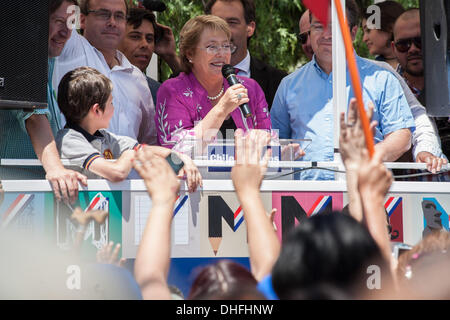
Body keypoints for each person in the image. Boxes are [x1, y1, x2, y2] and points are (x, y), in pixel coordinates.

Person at [270, 0, 416, 180]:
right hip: (305, 197)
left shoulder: (381, 79)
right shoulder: (289, 85)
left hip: (365, 191)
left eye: (334, 26)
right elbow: (275, 141)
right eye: (318, 27)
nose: (326, 34)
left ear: (353, 33)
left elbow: (402, 136)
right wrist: (281, 155)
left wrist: (370, 157)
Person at [55, 67, 201, 191]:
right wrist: (130, 155)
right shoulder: (69, 140)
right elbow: (116, 173)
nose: (114, 108)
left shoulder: (106, 138)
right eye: (111, 103)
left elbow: (151, 151)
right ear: (97, 110)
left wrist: (183, 161)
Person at [0, 0, 87, 204]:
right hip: (13, 190)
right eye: (58, 21)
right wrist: (56, 168)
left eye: (71, 24)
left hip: (35, 191)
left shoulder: (46, 61)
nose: (66, 32)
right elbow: (34, 116)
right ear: (35, 21)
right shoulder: (20, 54)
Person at [155, 15, 272, 150]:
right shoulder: (173, 91)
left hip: (246, 171)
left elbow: (267, 140)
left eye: (226, 46)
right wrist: (221, 109)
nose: (221, 53)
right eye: (212, 47)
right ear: (190, 54)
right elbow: (175, 154)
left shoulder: (250, 88)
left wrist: (280, 152)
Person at [53, 0, 157, 145]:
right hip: (77, 165)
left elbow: (149, 140)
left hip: (125, 167)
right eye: (103, 14)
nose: (112, 22)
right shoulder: (70, 47)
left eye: (119, 16)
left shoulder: (138, 78)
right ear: (82, 20)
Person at [205, 0, 287, 109]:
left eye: (232, 23)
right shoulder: (188, 80)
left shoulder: (278, 82)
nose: (223, 31)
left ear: (250, 28)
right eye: (216, 24)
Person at [392, 8, 450, 161]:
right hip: (411, 183)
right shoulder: (388, 89)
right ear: (393, 48)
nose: (412, 49)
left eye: (420, 41)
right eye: (403, 44)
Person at [118, 7, 182, 104]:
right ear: (115, 39)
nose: (145, 44)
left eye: (149, 39)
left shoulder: (158, 92)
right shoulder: (98, 84)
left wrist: (171, 56)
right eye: (135, 37)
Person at [362, 1, 405, 69]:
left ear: (390, 27)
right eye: (363, 33)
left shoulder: (421, 62)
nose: (364, 39)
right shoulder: (372, 70)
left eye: (368, 30)